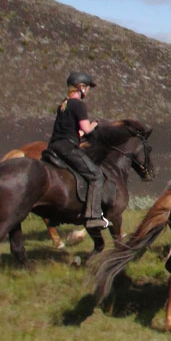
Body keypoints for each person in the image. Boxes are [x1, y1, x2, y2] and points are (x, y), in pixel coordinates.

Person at [48, 71, 107, 229]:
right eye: (87, 87)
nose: (88, 91)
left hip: (54, 146)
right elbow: (87, 130)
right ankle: (94, 216)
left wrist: (80, 133)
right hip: (67, 147)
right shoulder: (79, 104)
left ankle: (56, 214)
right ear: (81, 87)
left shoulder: (64, 104)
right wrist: (95, 124)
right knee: (96, 175)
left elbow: (74, 130)